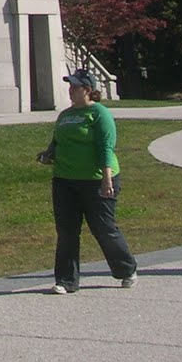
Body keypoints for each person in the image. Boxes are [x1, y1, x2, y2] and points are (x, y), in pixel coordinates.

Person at [37, 67, 138, 295]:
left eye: (75, 86)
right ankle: (66, 280)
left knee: (103, 228)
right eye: (69, 86)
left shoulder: (100, 114)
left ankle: (126, 269)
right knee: (67, 231)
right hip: (64, 180)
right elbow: (57, 142)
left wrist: (106, 178)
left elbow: (105, 147)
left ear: (88, 90)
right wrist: (48, 154)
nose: (70, 90)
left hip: (96, 180)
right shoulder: (65, 115)